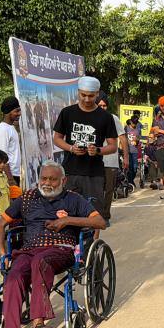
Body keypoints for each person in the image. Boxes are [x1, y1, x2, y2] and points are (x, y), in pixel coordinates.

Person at [0, 161, 106, 328]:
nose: (47, 183)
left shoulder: (73, 199)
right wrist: (3, 254)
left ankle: (39, 323)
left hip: (60, 250)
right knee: (13, 276)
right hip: (28, 250)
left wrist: (66, 220)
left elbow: (99, 222)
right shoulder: (27, 198)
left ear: (63, 181)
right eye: (44, 178)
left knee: (40, 261)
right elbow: (0, 224)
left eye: (52, 179)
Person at [52, 76, 119, 221]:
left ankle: (92, 236)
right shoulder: (67, 112)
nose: (87, 99)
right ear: (78, 92)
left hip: (94, 174)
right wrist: (71, 148)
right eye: (83, 95)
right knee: (67, 212)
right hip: (70, 172)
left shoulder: (105, 117)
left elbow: (113, 146)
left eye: (91, 96)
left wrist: (98, 150)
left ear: (97, 94)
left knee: (94, 215)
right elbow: (57, 138)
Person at [97, 92, 129, 225]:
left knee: (109, 190)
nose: (102, 108)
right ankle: (96, 216)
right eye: (99, 105)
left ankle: (105, 216)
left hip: (111, 161)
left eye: (104, 106)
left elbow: (123, 138)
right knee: (97, 190)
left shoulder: (113, 118)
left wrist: (126, 157)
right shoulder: (90, 118)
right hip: (94, 161)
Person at [0, 97, 22, 186]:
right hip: (8, 176)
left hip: (14, 173)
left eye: (19, 110)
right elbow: (2, 157)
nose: (19, 113)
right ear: (8, 112)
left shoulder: (11, 127)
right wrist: (10, 179)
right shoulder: (3, 129)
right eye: (17, 111)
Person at [125, 110, 144, 187]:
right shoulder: (126, 128)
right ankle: (130, 182)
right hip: (127, 150)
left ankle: (131, 180)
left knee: (135, 168)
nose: (135, 125)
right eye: (133, 123)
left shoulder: (138, 129)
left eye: (136, 124)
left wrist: (137, 140)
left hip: (135, 151)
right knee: (129, 167)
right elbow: (123, 138)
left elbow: (139, 138)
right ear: (131, 122)